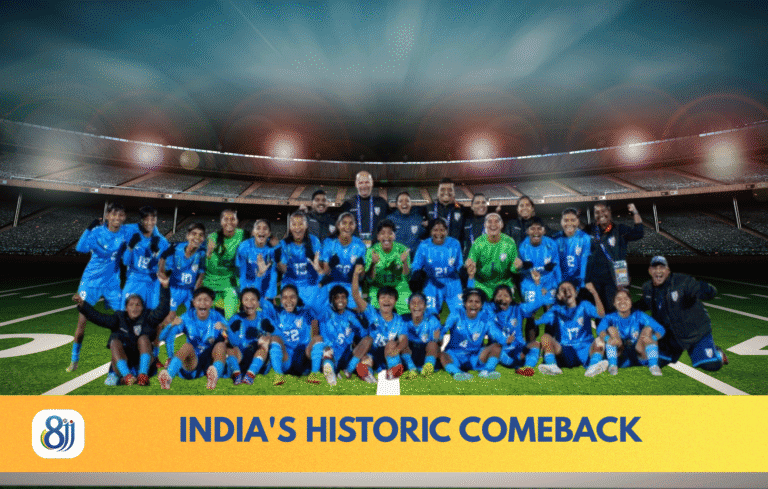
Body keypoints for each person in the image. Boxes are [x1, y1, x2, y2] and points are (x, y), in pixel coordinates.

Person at [73, 270, 170, 386]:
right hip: (124, 363)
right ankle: (127, 376)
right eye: (131, 305)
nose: (134, 307)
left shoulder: (148, 317)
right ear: (126, 308)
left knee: (143, 339)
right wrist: (83, 305)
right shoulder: (119, 318)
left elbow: (163, 310)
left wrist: (165, 287)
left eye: (138, 304)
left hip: (144, 364)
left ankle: (143, 376)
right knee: (114, 342)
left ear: (143, 307)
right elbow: (98, 318)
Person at [67, 202, 129, 373]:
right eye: (114, 214)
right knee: (81, 325)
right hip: (91, 282)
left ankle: (118, 363)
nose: (117, 218)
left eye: (120, 215)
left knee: (123, 321)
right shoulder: (97, 232)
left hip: (112, 283)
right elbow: (80, 248)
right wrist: (88, 229)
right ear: (108, 216)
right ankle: (74, 360)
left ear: (124, 218)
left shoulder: (125, 232)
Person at [636, 256, 727, 371]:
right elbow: (643, 304)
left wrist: (706, 290)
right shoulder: (648, 288)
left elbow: (699, 289)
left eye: (661, 267)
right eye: (655, 268)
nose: (658, 271)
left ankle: (717, 352)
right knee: (652, 361)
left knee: (711, 365)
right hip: (671, 335)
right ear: (650, 271)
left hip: (694, 333)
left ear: (668, 271)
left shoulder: (682, 282)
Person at [156, 222, 207, 366]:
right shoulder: (176, 248)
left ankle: (194, 353)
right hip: (174, 289)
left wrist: (196, 292)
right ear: (188, 235)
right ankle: (165, 355)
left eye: (200, 235)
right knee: (169, 322)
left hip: (190, 292)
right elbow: (162, 261)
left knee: (195, 322)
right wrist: (162, 275)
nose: (197, 237)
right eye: (194, 234)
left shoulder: (202, 253)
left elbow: (201, 274)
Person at [157, 287, 228, 390]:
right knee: (187, 346)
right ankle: (168, 376)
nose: (203, 303)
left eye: (206, 300)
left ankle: (214, 377)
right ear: (194, 302)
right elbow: (162, 337)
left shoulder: (217, 316)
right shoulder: (186, 317)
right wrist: (171, 325)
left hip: (210, 361)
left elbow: (234, 340)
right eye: (199, 300)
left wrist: (226, 328)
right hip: (192, 362)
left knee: (221, 345)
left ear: (212, 302)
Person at [536, 280, 607, 377]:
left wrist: (594, 293)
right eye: (562, 290)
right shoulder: (556, 309)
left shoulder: (584, 305)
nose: (566, 291)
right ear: (558, 296)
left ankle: (593, 365)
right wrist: (544, 300)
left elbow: (601, 314)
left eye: (569, 288)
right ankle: (551, 365)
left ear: (576, 292)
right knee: (545, 337)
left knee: (600, 340)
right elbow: (538, 321)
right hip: (565, 350)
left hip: (586, 349)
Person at [351, 263, 406, 381]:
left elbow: (403, 339)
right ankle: (366, 373)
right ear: (378, 300)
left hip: (388, 353)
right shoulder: (371, 312)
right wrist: (355, 274)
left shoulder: (399, 320)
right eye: (383, 297)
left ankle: (392, 370)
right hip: (372, 352)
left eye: (390, 298)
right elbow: (356, 295)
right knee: (366, 358)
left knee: (392, 344)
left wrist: (397, 349)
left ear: (395, 301)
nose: (386, 300)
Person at [585, 202, 643, 313]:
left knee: (614, 311)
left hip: (615, 279)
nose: (601, 214)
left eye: (603, 211)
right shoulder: (590, 230)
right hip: (594, 280)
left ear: (609, 211)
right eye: (597, 212)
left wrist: (635, 212)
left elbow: (639, 232)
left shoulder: (620, 230)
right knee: (598, 313)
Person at [487, 274, 547, 377]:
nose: (502, 299)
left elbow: (535, 305)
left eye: (506, 296)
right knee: (493, 349)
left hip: (518, 347)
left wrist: (537, 285)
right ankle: (514, 364)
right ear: (494, 298)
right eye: (499, 296)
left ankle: (527, 368)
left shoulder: (518, 308)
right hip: (501, 349)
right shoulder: (490, 309)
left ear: (511, 299)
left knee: (536, 344)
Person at [596, 288, 665, 376]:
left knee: (648, 329)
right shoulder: (610, 317)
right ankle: (613, 365)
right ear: (614, 303)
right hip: (621, 355)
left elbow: (660, 329)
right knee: (611, 329)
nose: (622, 301)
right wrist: (608, 339)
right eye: (618, 299)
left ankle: (653, 365)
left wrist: (653, 338)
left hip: (639, 354)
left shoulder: (639, 315)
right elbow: (600, 330)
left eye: (626, 299)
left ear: (631, 302)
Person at [315, 285, 373, 385]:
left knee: (368, 341)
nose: (340, 300)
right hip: (329, 353)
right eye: (337, 297)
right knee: (326, 352)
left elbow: (363, 334)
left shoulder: (352, 315)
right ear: (331, 299)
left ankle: (352, 371)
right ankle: (330, 375)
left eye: (343, 297)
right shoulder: (325, 312)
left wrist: (361, 317)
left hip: (347, 355)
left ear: (347, 300)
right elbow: (313, 319)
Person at [267, 285, 324, 386]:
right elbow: (262, 301)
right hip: (285, 360)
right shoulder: (277, 313)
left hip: (303, 360)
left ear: (298, 298)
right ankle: (278, 375)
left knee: (318, 338)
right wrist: (260, 276)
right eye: (285, 297)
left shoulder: (305, 313)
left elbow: (313, 305)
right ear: (280, 299)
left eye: (292, 297)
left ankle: (314, 374)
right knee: (275, 338)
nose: (288, 301)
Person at [440, 288, 502, 381]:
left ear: (481, 305)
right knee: (442, 354)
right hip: (455, 355)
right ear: (465, 303)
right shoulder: (456, 313)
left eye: (477, 302)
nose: (473, 304)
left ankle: (487, 371)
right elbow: (444, 328)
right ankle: (457, 373)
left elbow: (497, 335)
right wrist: (439, 335)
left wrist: (504, 340)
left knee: (496, 347)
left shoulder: (485, 318)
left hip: (475, 356)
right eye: (470, 301)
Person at [517, 217, 560, 342]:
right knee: (530, 313)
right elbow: (518, 268)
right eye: (532, 228)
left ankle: (549, 345)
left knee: (550, 311)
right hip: (530, 282)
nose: (536, 231)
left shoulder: (551, 244)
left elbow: (556, 265)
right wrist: (524, 268)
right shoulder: (522, 246)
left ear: (544, 231)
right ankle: (531, 346)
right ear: (527, 231)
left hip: (548, 281)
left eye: (539, 228)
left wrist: (558, 283)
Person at [222, 288, 276, 385]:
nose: (249, 303)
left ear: (258, 302)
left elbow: (276, 335)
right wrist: (228, 336)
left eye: (253, 299)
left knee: (263, 347)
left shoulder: (264, 318)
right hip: (240, 356)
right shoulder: (236, 318)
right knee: (229, 347)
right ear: (241, 302)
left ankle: (250, 375)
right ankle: (236, 374)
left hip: (260, 360)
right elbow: (226, 338)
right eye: (246, 299)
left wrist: (268, 338)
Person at [410, 218, 464, 313]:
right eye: (435, 230)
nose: (439, 233)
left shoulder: (455, 244)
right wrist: (417, 276)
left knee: (459, 312)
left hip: (452, 281)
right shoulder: (424, 245)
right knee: (431, 313)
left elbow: (459, 265)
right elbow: (416, 265)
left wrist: (465, 272)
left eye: (442, 230)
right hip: (431, 282)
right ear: (430, 232)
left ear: (447, 231)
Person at [464, 212, 519, 303]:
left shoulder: (509, 242)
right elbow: (471, 262)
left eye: (497, 221)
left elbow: (513, 269)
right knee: (481, 312)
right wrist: (469, 265)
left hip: (504, 284)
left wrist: (517, 266)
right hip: (482, 284)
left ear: (501, 225)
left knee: (503, 311)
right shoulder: (478, 243)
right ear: (485, 225)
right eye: (489, 222)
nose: (493, 224)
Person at [122, 206, 169, 310]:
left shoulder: (162, 242)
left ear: (156, 220)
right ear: (141, 220)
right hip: (134, 280)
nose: (149, 222)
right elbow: (125, 262)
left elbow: (165, 268)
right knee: (126, 315)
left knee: (152, 318)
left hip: (152, 283)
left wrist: (156, 254)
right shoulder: (132, 234)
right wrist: (130, 246)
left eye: (153, 219)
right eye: (146, 219)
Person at [204, 209, 246, 319]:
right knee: (208, 318)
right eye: (226, 219)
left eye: (233, 219)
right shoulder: (212, 238)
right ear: (221, 221)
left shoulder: (244, 235)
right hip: (210, 282)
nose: (229, 222)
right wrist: (208, 254)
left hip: (229, 282)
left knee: (230, 318)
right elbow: (208, 265)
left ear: (237, 221)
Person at [276, 211, 323, 309]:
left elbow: (320, 267)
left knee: (312, 320)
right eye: (294, 224)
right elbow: (283, 269)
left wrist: (317, 267)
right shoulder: (284, 244)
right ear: (290, 226)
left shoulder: (314, 241)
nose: (297, 228)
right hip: (291, 287)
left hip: (311, 287)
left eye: (301, 224)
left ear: (306, 226)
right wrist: (278, 262)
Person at [365, 219, 411, 315]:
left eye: (390, 233)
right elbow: (370, 280)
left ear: (394, 236)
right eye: (382, 233)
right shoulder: (371, 251)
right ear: (378, 237)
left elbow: (407, 277)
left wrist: (404, 262)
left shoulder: (402, 250)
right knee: (374, 315)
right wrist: (373, 264)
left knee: (406, 314)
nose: (386, 236)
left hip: (399, 287)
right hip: (378, 288)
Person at [319, 212, 368, 299]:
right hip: (331, 285)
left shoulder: (360, 245)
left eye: (351, 223)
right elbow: (325, 272)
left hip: (351, 286)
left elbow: (361, 277)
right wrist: (331, 265)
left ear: (355, 225)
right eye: (344, 223)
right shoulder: (328, 243)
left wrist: (359, 269)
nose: (347, 227)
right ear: (338, 225)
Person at [340, 171, 389, 245]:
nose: (364, 185)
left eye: (367, 182)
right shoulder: (348, 204)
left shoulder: (382, 202)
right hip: (355, 248)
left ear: (371, 183)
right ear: (356, 184)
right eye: (360, 183)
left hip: (377, 248)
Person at [400, 292, 442, 378]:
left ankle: (427, 368)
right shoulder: (403, 319)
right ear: (408, 306)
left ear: (425, 306)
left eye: (420, 303)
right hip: (410, 353)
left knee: (433, 345)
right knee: (402, 342)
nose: (416, 306)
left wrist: (437, 337)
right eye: (413, 303)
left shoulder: (432, 320)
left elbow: (440, 342)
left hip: (425, 352)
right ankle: (412, 369)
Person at [236, 219, 278, 302]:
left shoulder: (273, 249)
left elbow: (273, 273)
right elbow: (241, 272)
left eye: (265, 228)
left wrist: (270, 295)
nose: (261, 231)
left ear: (269, 233)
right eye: (258, 228)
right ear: (253, 232)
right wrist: (243, 291)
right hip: (248, 288)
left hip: (266, 291)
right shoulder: (244, 247)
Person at [554, 208, 592, 292]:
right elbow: (555, 264)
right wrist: (559, 283)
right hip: (562, 282)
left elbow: (584, 262)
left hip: (579, 283)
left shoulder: (585, 238)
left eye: (573, 220)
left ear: (578, 221)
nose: (569, 223)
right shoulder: (556, 239)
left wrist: (582, 284)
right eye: (566, 220)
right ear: (561, 222)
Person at [387, 191, 427, 257]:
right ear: (396, 205)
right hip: (396, 259)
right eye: (400, 201)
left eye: (407, 201)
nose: (404, 203)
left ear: (411, 203)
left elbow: (424, 235)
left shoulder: (418, 218)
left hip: (414, 260)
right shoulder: (390, 219)